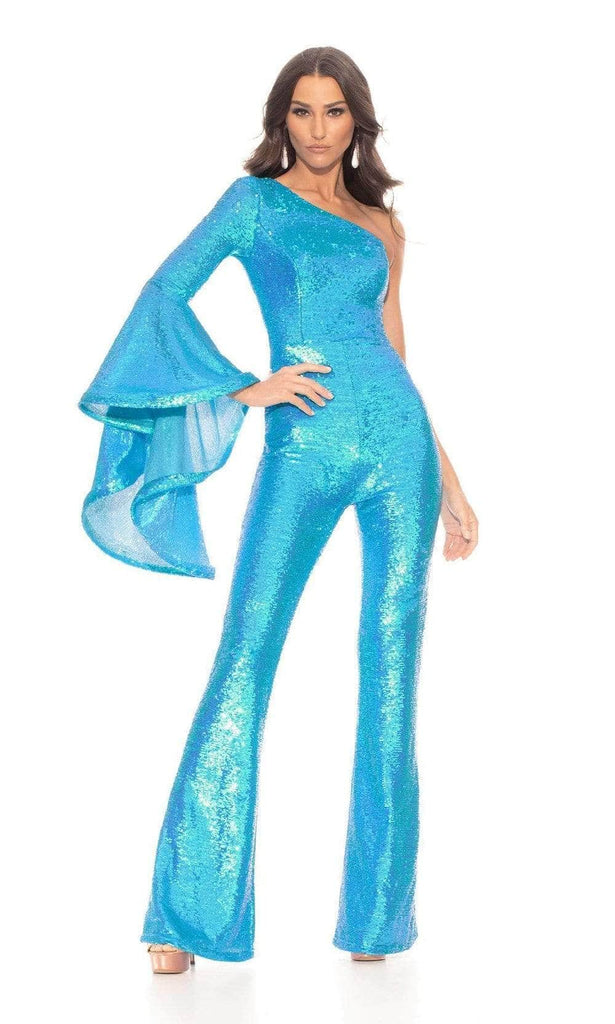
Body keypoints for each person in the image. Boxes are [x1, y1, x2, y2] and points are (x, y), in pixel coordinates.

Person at [78, 46, 478, 973]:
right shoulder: (253, 204)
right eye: (301, 111)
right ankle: (183, 918)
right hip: (301, 448)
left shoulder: (381, 223)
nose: (317, 128)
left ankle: (376, 921)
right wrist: (243, 388)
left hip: (400, 453)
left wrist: (451, 482)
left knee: (392, 675)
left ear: (356, 122)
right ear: (281, 120)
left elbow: (396, 355)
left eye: (333, 111)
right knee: (245, 656)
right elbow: (163, 293)